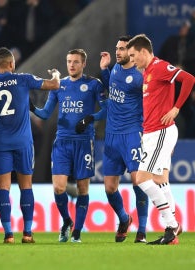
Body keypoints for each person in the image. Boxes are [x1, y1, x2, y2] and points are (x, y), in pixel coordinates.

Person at [0, 47, 60, 244]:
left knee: (3, 187)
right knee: (26, 186)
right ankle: (27, 233)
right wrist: (55, 74)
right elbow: (54, 85)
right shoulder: (23, 79)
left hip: (1, 143)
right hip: (23, 142)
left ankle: (8, 234)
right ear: (12, 64)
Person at [30, 48, 107, 243]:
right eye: (69, 61)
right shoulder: (59, 86)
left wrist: (90, 118)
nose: (71, 65)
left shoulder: (93, 85)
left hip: (83, 142)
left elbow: (106, 109)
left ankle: (77, 233)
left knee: (82, 188)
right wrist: (31, 107)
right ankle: (66, 221)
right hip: (62, 142)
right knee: (59, 188)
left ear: (83, 64)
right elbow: (46, 113)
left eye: (75, 62)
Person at [127, 34, 195, 245]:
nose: (132, 60)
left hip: (160, 131)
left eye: (133, 55)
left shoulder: (159, 67)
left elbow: (189, 79)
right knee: (159, 180)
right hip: (152, 133)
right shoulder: (147, 72)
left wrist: (176, 108)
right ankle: (172, 230)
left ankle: (171, 225)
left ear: (144, 51)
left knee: (142, 179)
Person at [99, 36, 149, 243]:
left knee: (138, 182)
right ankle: (124, 218)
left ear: (131, 52)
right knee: (109, 188)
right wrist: (104, 69)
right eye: (116, 48)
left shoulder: (139, 78)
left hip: (131, 134)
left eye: (121, 49)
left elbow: (150, 100)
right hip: (111, 136)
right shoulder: (115, 71)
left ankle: (142, 231)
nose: (117, 52)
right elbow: (112, 87)